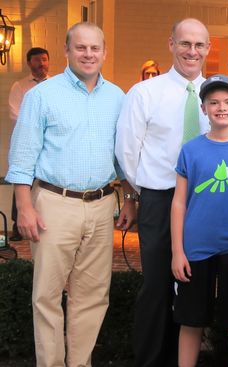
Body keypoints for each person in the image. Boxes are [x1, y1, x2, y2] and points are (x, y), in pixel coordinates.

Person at [6, 23, 133, 367]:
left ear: (104, 52)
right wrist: (24, 207)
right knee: (47, 295)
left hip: (103, 203)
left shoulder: (118, 97)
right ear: (66, 51)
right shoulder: (42, 96)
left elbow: (122, 154)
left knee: (92, 296)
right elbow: (22, 157)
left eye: (95, 48)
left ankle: (79, 363)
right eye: (81, 48)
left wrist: (130, 198)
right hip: (53, 204)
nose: (88, 54)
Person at [115, 18, 211, 367]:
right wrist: (144, 193)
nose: (192, 51)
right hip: (160, 197)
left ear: (208, 49)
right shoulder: (145, 92)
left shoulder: (218, 95)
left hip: (206, 202)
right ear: (171, 45)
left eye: (199, 45)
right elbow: (127, 150)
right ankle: (151, 359)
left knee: (193, 284)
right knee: (156, 285)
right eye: (185, 43)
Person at [170, 74, 228, 367]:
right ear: (204, 109)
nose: (221, 107)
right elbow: (179, 202)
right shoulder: (191, 149)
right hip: (196, 248)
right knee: (191, 320)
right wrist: (177, 251)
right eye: (213, 102)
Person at [7, 47, 50, 242]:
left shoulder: (55, 85)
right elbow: (14, 113)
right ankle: (18, 225)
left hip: (49, 146)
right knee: (22, 181)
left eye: (44, 59)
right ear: (29, 63)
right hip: (27, 142)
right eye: (37, 60)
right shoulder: (20, 86)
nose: (41, 63)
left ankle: (43, 221)